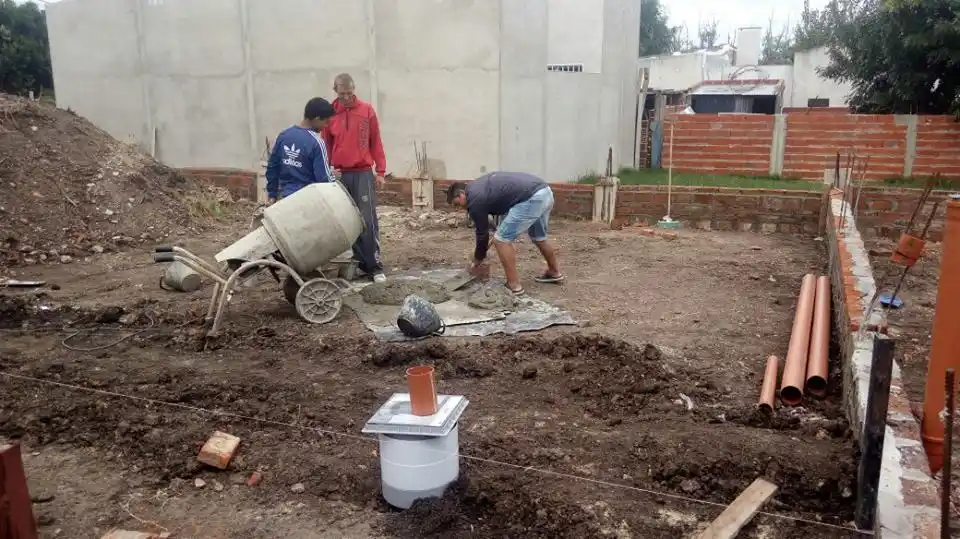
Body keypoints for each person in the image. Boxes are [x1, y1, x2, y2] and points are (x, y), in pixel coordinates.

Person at [447, 172, 564, 295]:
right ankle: (554, 271)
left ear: (461, 195)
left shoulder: (474, 199)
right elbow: (500, 204)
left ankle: (513, 285)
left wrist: (478, 259)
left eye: (456, 204)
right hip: (544, 192)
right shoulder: (478, 187)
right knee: (538, 237)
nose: (459, 208)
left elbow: (482, 234)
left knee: (501, 240)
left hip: (531, 199)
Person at [323, 73, 387, 283]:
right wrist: (328, 171)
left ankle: (375, 267)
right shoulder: (329, 114)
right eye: (343, 94)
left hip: (363, 173)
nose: (347, 98)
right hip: (341, 174)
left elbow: (376, 141)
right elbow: (326, 146)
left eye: (350, 93)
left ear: (354, 90)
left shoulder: (366, 110)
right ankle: (359, 263)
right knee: (348, 221)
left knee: (367, 220)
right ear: (336, 91)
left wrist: (380, 171)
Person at [265, 97, 339, 203]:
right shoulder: (317, 142)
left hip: (284, 199)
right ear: (317, 119)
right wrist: (333, 176)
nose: (326, 126)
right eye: (326, 122)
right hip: (306, 201)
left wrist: (272, 194)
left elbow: (272, 167)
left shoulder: (284, 135)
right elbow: (323, 179)